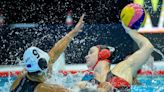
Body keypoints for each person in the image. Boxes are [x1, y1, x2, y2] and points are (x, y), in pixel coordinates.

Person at [10, 14, 85, 92]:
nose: (51, 60)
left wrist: (74, 31)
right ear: (43, 68)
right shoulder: (44, 89)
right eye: (48, 62)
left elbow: (54, 53)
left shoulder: (23, 75)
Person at [81, 22, 154, 92]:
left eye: (91, 52)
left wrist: (130, 31)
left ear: (104, 53)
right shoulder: (85, 84)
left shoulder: (122, 70)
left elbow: (148, 47)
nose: (86, 56)